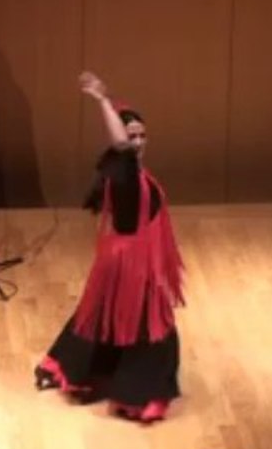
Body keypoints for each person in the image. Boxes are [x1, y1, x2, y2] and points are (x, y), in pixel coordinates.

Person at [34, 72, 186, 423]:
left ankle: (65, 367)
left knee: (102, 317)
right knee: (152, 330)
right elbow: (119, 145)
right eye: (132, 136)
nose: (138, 142)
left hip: (124, 262)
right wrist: (103, 101)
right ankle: (138, 395)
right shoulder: (125, 171)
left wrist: (112, 101)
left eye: (143, 135)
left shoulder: (128, 171)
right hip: (132, 266)